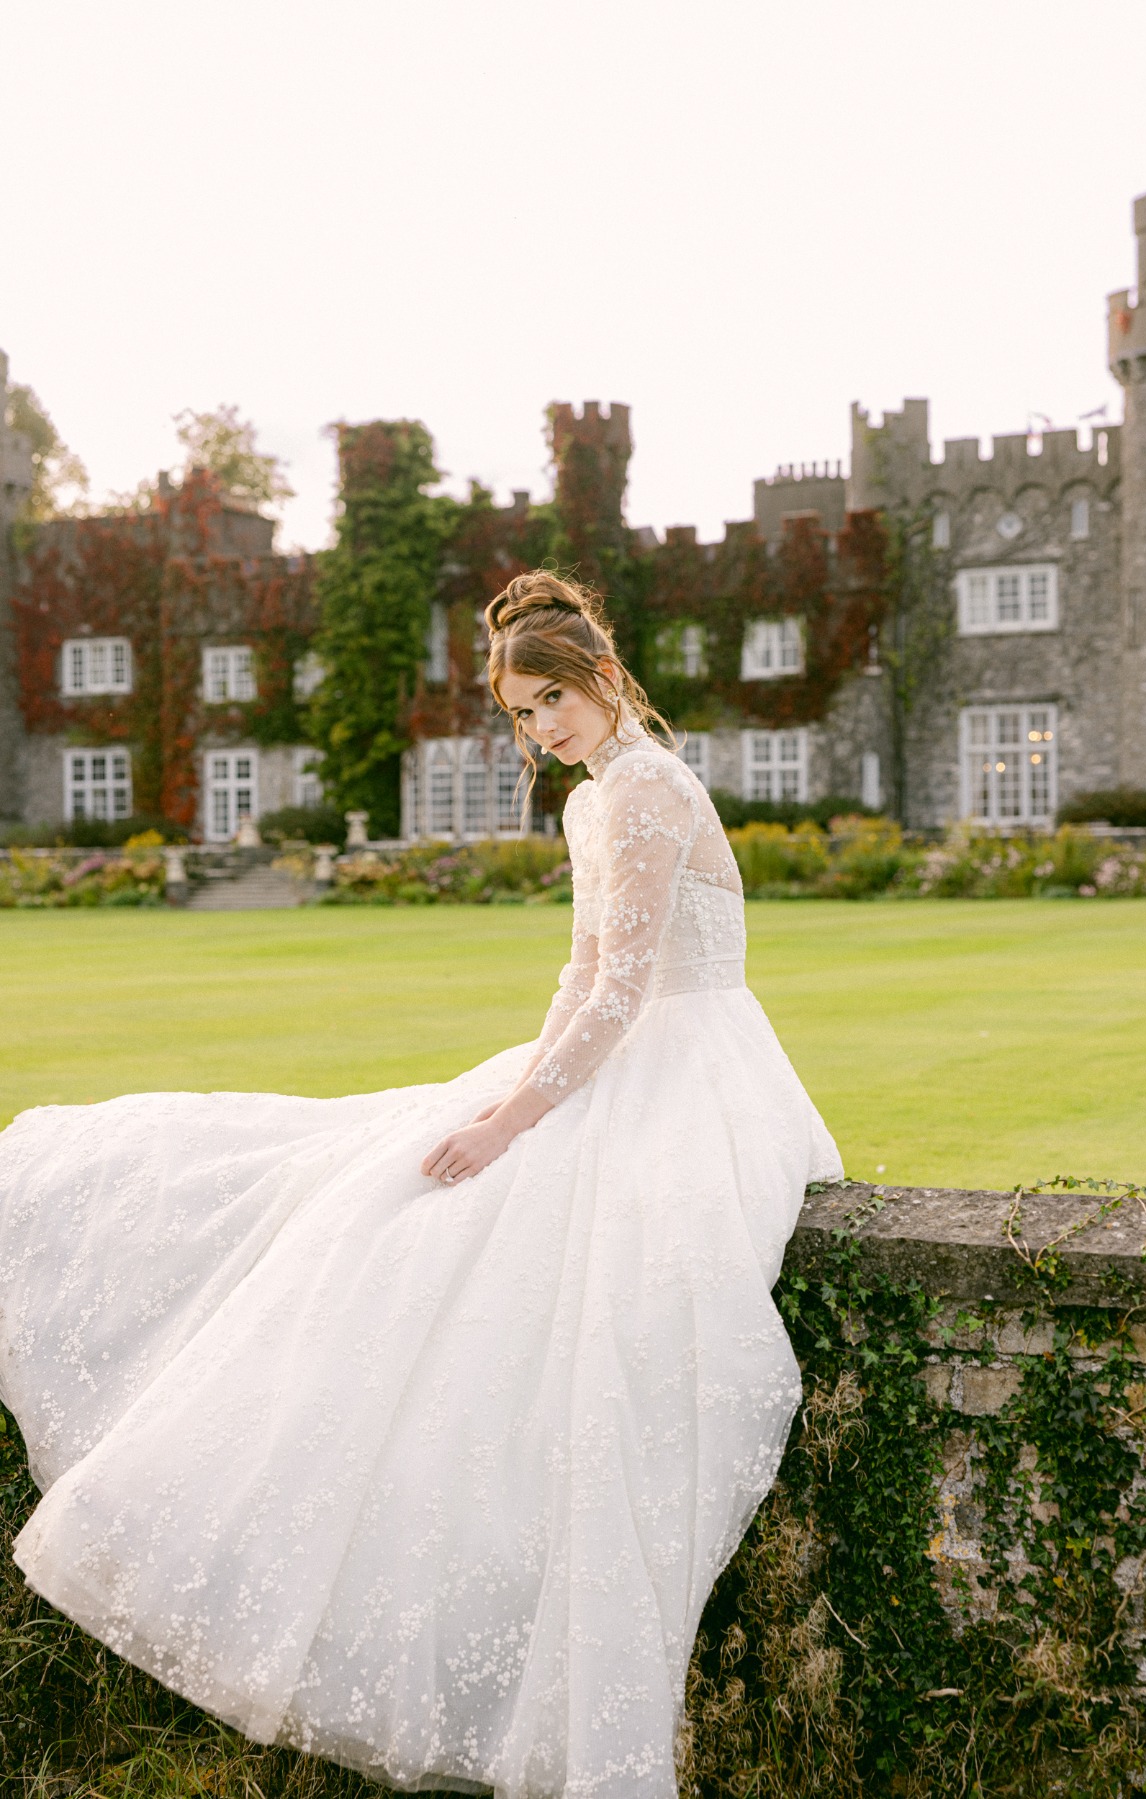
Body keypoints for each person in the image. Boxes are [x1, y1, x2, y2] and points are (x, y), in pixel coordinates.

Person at [0, 570, 842, 1798]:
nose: (538, 729)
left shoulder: (652, 787)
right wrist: (504, 1099)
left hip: (696, 1071)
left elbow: (627, 993)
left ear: (604, 679)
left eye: (550, 699)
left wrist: (514, 1119)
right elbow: (577, 976)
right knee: (384, 1192)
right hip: (606, 1058)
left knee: (559, 1274)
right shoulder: (592, 803)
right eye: (519, 713)